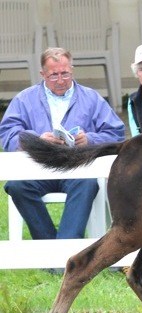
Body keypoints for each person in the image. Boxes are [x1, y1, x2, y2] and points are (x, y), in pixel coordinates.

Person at [0, 47, 125, 241]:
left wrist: (90, 140)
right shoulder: (25, 99)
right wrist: (37, 141)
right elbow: (7, 134)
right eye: (53, 75)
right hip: (37, 168)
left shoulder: (91, 97)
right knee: (17, 186)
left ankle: (65, 251)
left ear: (72, 70)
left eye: (65, 74)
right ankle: (52, 247)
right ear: (42, 74)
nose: (60, 80)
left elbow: (116, 133)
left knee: (87, 184)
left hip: (77, 168)